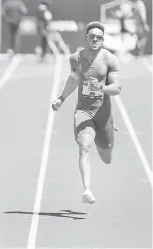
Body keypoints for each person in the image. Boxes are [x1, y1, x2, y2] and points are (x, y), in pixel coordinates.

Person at [51, 21, 122, 204]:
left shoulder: (109, 59)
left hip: (103, 114)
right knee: (84, 147)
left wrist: (101, 88)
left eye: (99, 37)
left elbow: (117, 88)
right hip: (84, 112)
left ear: (103, 39)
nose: (95, 39)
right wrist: (61, 98)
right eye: (92, 36)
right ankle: (87, 189)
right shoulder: (76, 58)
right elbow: (73, 80)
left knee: (107, 158)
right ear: (86, 38)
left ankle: (107, 133)